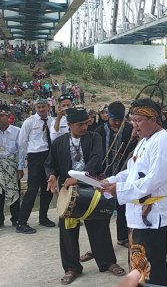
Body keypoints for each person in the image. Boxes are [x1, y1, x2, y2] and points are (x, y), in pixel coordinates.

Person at [45, 107, 125, 285]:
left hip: (90, 187)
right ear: (70, 125)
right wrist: (51, 176)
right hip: (69, 191)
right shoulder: (59, 142)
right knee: (67, 230)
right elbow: (50, 164)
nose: (85, 127)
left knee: (98, 224)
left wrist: (80, 177)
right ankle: (72, 267)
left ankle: (108, 262)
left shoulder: (94, 137)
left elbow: (97, 159)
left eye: (86, 123)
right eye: (80, 124)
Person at [103, 98, 167, 287]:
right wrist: (111, 181)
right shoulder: (146, 140)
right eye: (133, 121)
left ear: (153, 119)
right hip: (138, 212)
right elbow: (133, 170)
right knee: (139, 263)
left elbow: (153, 180)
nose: (134, 126)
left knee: (152, 265)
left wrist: (119, 189)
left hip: (151, 214)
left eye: (138, 120)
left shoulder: (162, 143)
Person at [98, 101, 138, 246]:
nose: (116, 123)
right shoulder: (100, 131)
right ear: (108, 116)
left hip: (124, 173)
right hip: (105, 173)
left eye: (119, 120)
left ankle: (123, 237)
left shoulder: (129, 129)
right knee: (103, 208)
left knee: (123, 207)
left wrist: (133, 139)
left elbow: (133, 150)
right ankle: (102, 243)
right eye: (114, 119)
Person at [16, 98, 56, 234]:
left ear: (48, 106)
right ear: (35, 107)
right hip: (35, 156)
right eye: (38, 107)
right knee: (32, 190)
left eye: (43, 106)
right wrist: (22, 163)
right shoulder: (29, 122)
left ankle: (43, 217)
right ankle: (21, 222)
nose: (41, 109)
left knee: (48, 188)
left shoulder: (52, 121)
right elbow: (22, 142)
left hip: (49, 155)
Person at [0, 104, 22, 228]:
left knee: (14, 191)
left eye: (2, 115)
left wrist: (20, 167)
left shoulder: (17, 131)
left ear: (8, 116)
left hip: (11, 166)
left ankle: (16, 218)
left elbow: (21, 150)